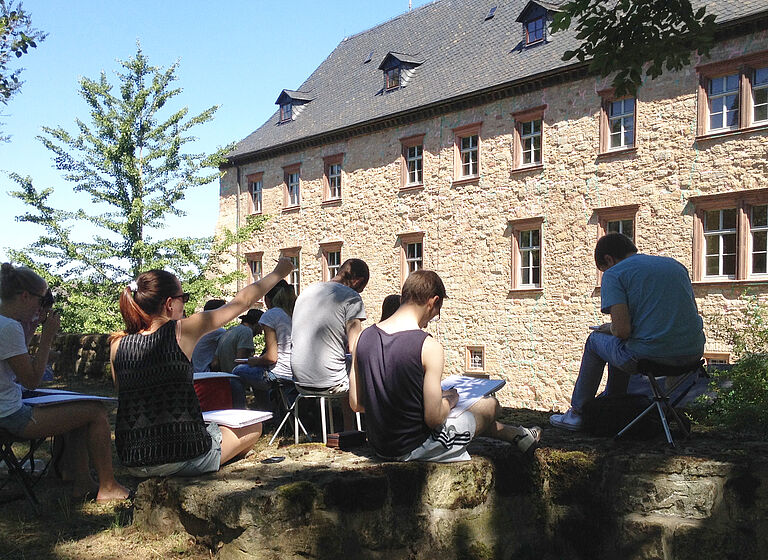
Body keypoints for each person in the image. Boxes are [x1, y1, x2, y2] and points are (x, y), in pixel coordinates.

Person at [109, 258, 293, 477]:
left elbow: (126, 396)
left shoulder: (117, 344)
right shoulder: (182, 331)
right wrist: (278, 273)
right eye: (183, 297)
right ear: (169, 304)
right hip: (182, 456)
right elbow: (241, 302)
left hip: (133, 459)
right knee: (254, 427)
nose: (185, 303)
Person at [351, 269, 541, 462]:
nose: (427, 324)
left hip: (378, 445)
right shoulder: (427, 345)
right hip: (416, 447)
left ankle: (518, 435)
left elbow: (356, 403)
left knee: (465, 412)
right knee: (490, 405)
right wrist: (450, 400)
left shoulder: (362, 338)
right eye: (435, 313)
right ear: (432, 302)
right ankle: (519, 435)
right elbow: (433, 418)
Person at [0, 263, 130, 501]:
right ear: (26, 296)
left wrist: (33, 330)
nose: (42, 307)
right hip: (9, 415)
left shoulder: (5, 323)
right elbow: (30, 380)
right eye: (42, 300)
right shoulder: (8, 328)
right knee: (95, 411)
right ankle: (108, 486)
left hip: (6, 407)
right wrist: (47, 338)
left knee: (78, 407)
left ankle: (80, 479)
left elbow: (16, 370)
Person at [550, 233, 705, 431]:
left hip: (650, 358)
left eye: (603, 269)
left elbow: (622, 331)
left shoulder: (615, 274)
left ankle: (577, 413)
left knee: (595, 340)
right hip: (693, 355)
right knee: (616, 341)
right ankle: (613, 405)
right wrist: (613, 329)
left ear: (608, 259)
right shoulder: (675, 266)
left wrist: (610, 329)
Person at [290, 258, 368, 431]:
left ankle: (337, 427)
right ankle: (354, 430)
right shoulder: (351, 297)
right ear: (357, 281)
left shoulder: (307, 292)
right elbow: (355, 347)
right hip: (331, 382)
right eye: (362, 289)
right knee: (362, 367)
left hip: (299, 380)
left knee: (341, 362)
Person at [232, 280, 297, 411]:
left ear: (267, 299)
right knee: (256, 372)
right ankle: (268, 412)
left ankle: (248, 414)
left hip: (280, 373)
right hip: (299, 373)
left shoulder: (271, 315)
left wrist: (254, 360)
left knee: (237, 371)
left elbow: (272, 358)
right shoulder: (295, 313)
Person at [213, 308, 264, 374]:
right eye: (261, 328)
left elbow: (215, 363)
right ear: (257, 324)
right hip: (236, 379)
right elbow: (241, 360)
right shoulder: (247, 331)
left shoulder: (230, 330)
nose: (260, 333)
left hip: (225, 378)